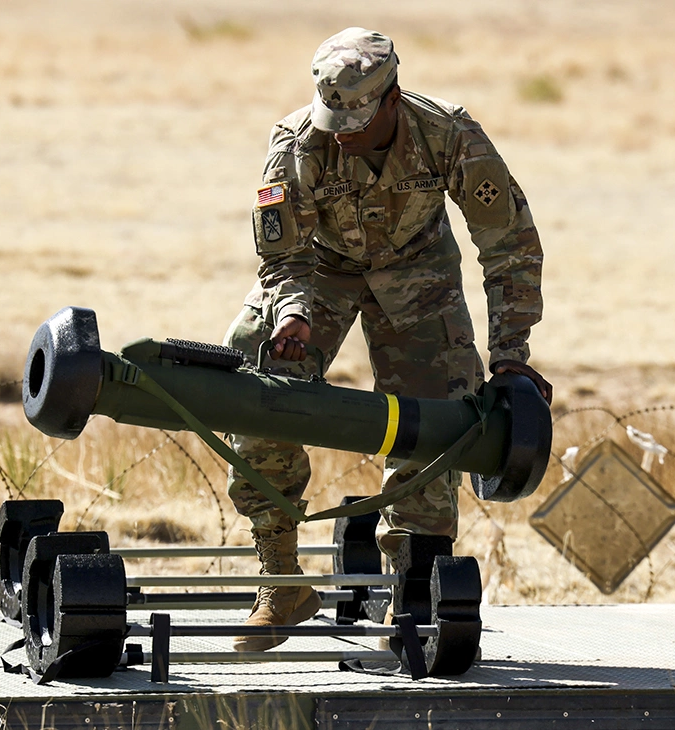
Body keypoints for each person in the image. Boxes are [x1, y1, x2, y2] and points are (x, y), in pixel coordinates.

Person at [223, 27, 549, 651]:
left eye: (358, 118)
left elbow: (510, 245)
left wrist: (510, 355)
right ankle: (281, 578)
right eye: (334, 118)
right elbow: (282, 255)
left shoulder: (447, 133)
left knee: (437, 416)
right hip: (318, 274)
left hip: (419, 274)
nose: (343, 132)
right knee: (255, 382)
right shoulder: (296, 143)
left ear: (393, 96)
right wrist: (291, 313)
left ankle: (414, 596)